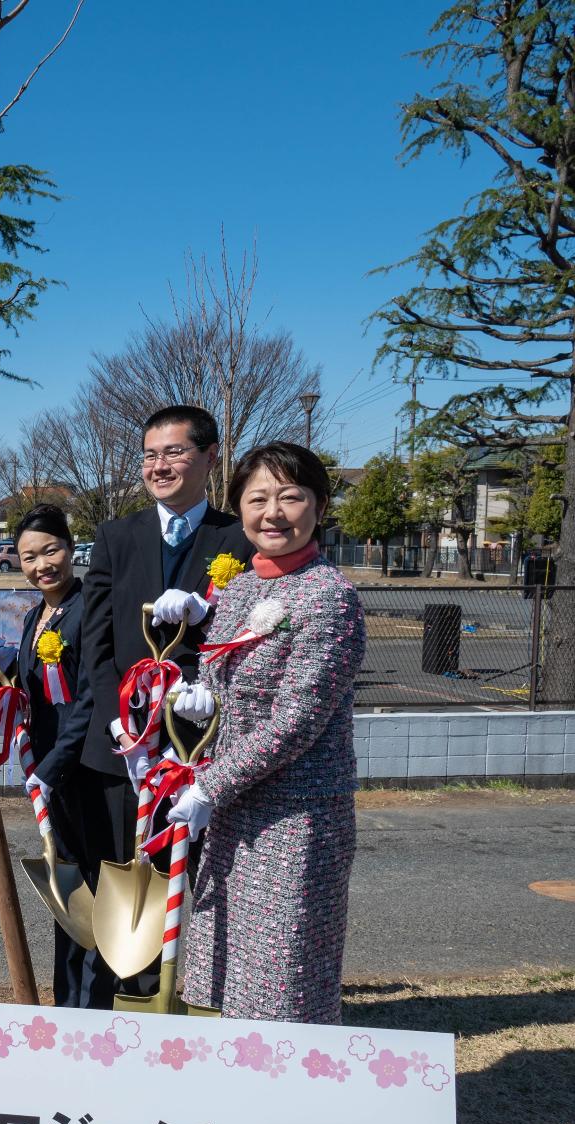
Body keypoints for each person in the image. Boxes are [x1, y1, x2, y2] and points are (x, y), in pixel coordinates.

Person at [170, 441, 366, 1024]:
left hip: (295, 815)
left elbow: (298, 718)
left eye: (290, 496)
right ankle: (233, 1103)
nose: (273, 512)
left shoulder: (329, 596)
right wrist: (195, 703)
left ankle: (288, 1106)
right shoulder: (239, 590)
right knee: (227, 969)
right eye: (257, 498)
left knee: (283, 977)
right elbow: (220, 679)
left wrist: (211, 786)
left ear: (319, 506)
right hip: (235, 809)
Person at [75, 404, 254, 1007]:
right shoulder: (115, 537)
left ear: (209, 457)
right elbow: (95, 643)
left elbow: (251, 636)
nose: (160, 466)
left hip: (201, 741)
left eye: (174, 452)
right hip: (125, 746)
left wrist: (211, 700)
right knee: (124, 870)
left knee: (201, 869)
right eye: (150, 455)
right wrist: (117, 717)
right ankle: (128, 995)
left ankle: (195, 992)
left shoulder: (239, 538)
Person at [0, 504, 103, 1007]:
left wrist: (54, 766)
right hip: (51, 771)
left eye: (50, 550)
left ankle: (95, 1007)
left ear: (70, 547)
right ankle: (66, 1004)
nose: (42, 565)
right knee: (67, 886)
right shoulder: (37, 614)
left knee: (95, 889)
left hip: (90, 770)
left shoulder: (90, 607)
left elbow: (92, 697)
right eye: (29, 557)